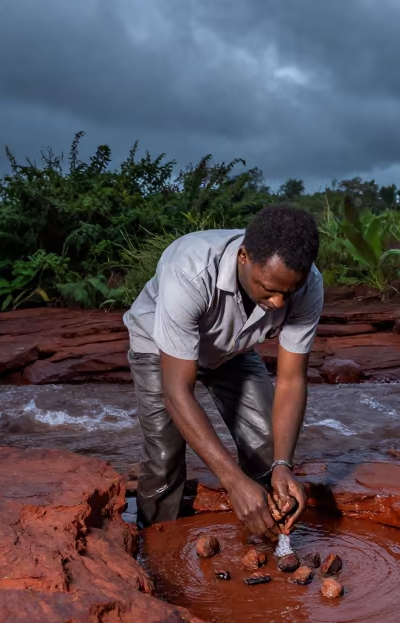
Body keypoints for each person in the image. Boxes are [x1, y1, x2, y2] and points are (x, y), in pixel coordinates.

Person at [122, 203, 323, 541]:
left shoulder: (308, 285)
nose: (277, 303)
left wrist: (283, 465)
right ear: (244, 257)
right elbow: (177, 392)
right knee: (165, 455)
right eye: (268, 288)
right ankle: (158, 547)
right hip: (159, 348)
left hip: (233, 349)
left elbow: (290, 381)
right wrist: (233, 482)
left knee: (268, 448)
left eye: (287, 293)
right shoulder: (189, 269)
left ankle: (269, 537)